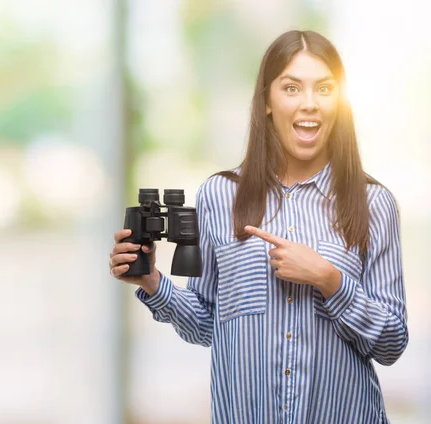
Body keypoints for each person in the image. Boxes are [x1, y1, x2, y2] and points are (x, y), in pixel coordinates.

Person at [108, 30, 408, 423]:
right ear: (267, 100)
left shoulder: (374, 204)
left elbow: (391, 344)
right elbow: (206, 325)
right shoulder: (219, 196)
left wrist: (329, 280)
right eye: (291, 88)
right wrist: (151, 282)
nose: (309, 104)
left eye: (324, 89)